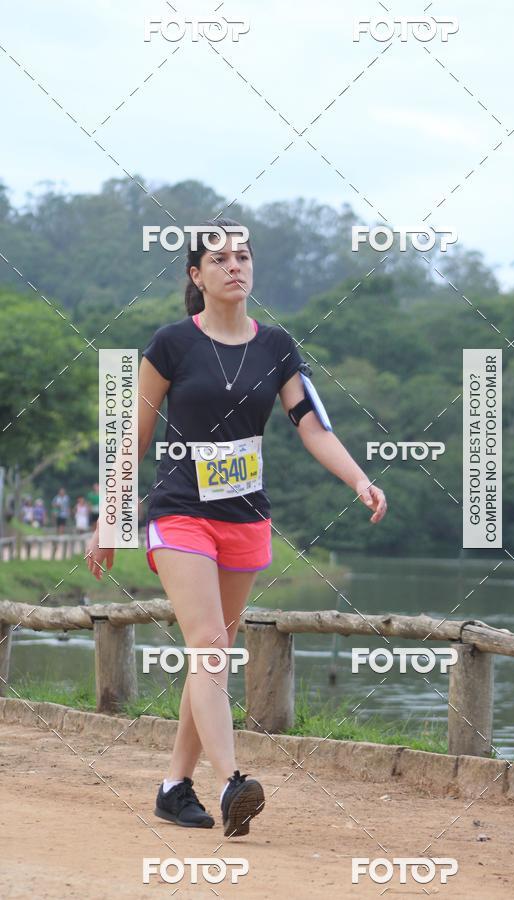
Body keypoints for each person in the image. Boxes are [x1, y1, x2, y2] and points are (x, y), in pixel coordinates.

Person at [85, 217, 387, 837]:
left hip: (246, 519)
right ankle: (231, 783)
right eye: (219, 258)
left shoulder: (276, 346)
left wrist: (358, 479)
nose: (234, 265)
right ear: (196, 275)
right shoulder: (170, 343)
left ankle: (174, 786)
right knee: (210, 647)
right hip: (178, 513)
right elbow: (133, 438)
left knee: (212, 655)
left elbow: (311, 424)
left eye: (243, 256)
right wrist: (110, 518)